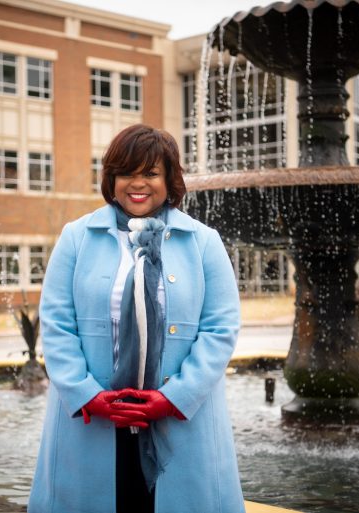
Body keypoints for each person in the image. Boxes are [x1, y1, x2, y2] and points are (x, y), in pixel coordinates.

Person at [28, 124, 245, 513]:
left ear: (169, 178)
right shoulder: (76, 238)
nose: (137, 183)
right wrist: (88, 396)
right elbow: (57, 324)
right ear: (112, 179)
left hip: (179, 418)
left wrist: (172, 397)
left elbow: (220, 328)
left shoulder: (204, 242)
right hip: (92, 419)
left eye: (151, 173)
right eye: (127, 172)